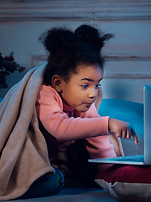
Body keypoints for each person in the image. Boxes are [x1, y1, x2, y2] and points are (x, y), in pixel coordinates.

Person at [35, 25, 138, 183]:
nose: (93, 94)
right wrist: (108, 123)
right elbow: (60, 128)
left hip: (50, 162)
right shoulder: (45, 94)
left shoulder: (84, 106)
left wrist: (111, 179)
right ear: (58, 83)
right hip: (25, 159)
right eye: (85, 85)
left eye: (97, 85)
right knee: (48, 183)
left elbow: (100, 144)